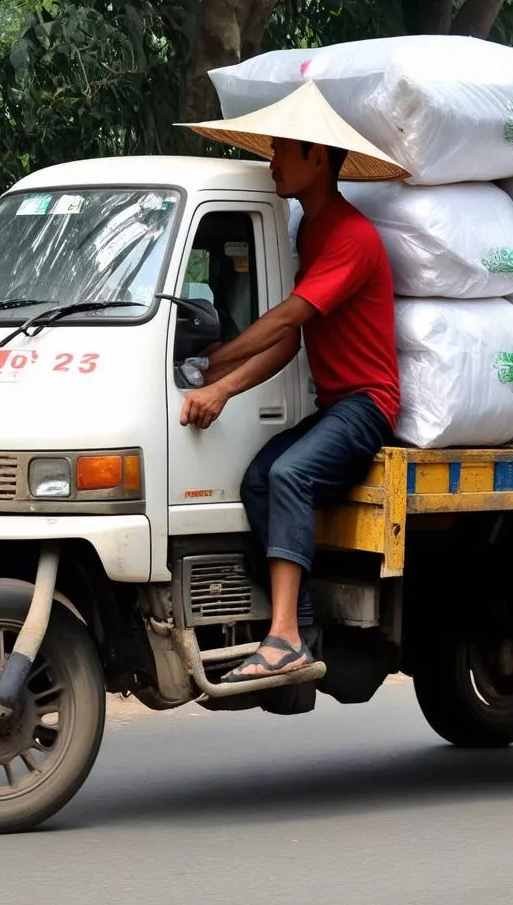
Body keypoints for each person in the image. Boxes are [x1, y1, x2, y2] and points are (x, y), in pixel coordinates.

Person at [177, 84, 407, 683]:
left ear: (318, 157)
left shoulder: (352, 237)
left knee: (290, 474)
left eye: (282, 148)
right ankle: (299, 630)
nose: (273, 159)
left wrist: (218, 372)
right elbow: (288, 344)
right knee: (258, 479)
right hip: (335, 407)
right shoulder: (311, 229)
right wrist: (219, 379)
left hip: (366, 407)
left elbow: (286, 320)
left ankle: (282, 638)